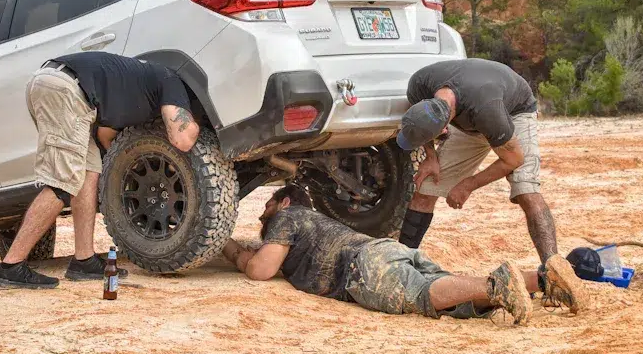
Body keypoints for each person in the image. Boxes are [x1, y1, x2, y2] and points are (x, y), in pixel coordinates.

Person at [221, 185, 587, 322]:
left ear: (284, 201)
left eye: (266, 207)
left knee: (423, 294)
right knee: (451, 294)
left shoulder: (288, 216)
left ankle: (498, 284)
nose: (262, 216)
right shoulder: (313, 223)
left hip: (363, 268)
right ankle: (543, 280)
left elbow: (261, 270)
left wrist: (225, 245)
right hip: (384, 252)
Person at [0, 52, 200, 289]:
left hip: (65, 90)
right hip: (66, 91)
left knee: (89, 172)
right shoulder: (171, 80)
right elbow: (183, 138)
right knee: (63, 182)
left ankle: (84, 260)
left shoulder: (141, 87)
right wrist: (199, 127)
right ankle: (10, 266)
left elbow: (105, 135)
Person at [394, 58, 559, 267]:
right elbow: (419, 124)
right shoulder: (419, 84)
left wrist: (468, 185)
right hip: (472, 114)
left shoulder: (488, 112)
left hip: (513, 111)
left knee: (526, 191)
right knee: (426, 189)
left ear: (444, 129)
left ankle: (553, 268)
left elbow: (514, 159)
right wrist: (431, 156)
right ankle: (402, 263)